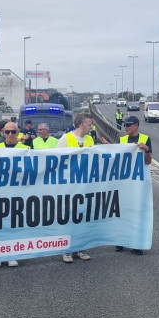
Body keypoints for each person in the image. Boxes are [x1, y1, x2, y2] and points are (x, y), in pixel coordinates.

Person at [56, 113, 96, 263]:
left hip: (85, 185)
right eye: (90, 124)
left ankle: (80, 247)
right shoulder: (66, 138)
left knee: (83, 217)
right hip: (69, 185)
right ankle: (67, 250)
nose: (91, 127)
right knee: (68, 218)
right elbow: (57, 159)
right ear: (82, 124)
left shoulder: (90, 139)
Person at [0, 121, 29, 268]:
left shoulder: (26, 149)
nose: (10, 135)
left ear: (18, 133)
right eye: (7, 132)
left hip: (17, 192)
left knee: (14, 223)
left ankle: (12, 253)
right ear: (3, 133)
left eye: (13, 132)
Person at [115, 115, 151, 255]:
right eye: (125, 125)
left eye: (128, 125)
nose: (126, 128)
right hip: (124, 181)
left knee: (135, 213)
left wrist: (146, 149)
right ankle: (120, 240)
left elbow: (148, 162)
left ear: (136, 125)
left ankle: (135, 243)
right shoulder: (122, 139)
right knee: (121, 211)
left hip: (138, 183)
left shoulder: (145, 138)